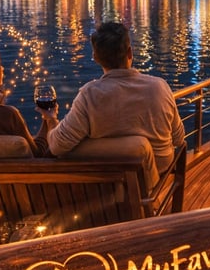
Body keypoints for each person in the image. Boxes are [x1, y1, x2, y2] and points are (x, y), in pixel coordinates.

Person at [48, 21, 185, 174]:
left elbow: (56, 146)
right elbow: (179, 138)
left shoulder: (90, 95)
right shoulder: (160, 87)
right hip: (159, 176)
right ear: (130, 53)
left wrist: (52, 120)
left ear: (95, 57)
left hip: (110, 182)